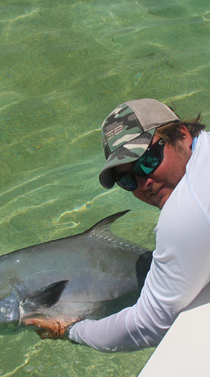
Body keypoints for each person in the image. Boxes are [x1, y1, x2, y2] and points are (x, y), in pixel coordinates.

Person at [24, 98, 210, 351]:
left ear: (182, 134)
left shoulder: (185, 211)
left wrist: (70, 330)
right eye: (127, 180)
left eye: (147, 161)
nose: (144, 183)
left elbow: (146, 327)